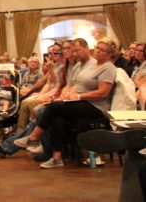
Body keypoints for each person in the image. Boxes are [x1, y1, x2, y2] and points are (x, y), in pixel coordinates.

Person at [14, 37, 117, 169]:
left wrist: (78, 96)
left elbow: (103, 93)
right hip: (80, 101)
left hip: (95, 106)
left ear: (109, 54)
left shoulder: (108, 68)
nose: (98, 51)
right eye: (97, 48)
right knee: (57, 115)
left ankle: (34, 137)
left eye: (102, 50)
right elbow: (75, 85)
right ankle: (56, 158)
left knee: (55, 107)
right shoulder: (91, 65)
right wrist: (66, 95)